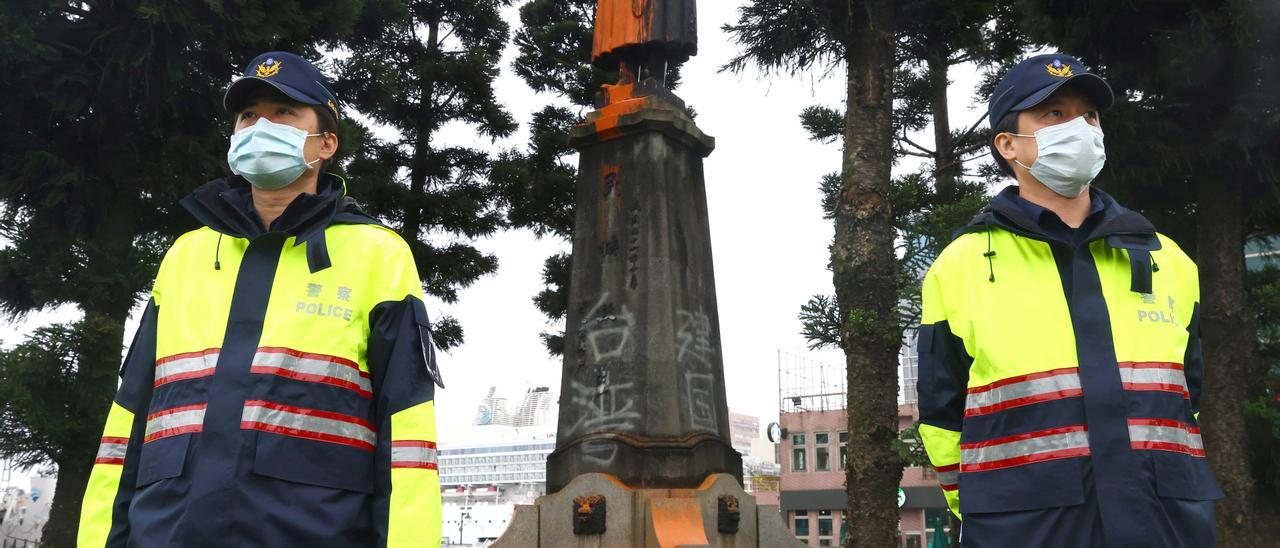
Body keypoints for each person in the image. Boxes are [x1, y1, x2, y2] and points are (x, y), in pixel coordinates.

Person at [76, 51, 444, 547]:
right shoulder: (185, 256)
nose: (260, 126)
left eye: (284, 113)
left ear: (326, 143)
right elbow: (126, 424)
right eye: (248, 115)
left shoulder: (377, 254)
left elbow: (408, 435)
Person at [917, 54, 1223, 547]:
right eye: (1054, 114)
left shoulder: (1169, 260)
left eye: (1089, 115)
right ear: (1008, 144)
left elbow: (1189, 399)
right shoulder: (962, 267)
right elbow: (941, 414)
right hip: (1026, 528)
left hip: (1165, 524)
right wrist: (985, 504)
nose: (1080, 128)